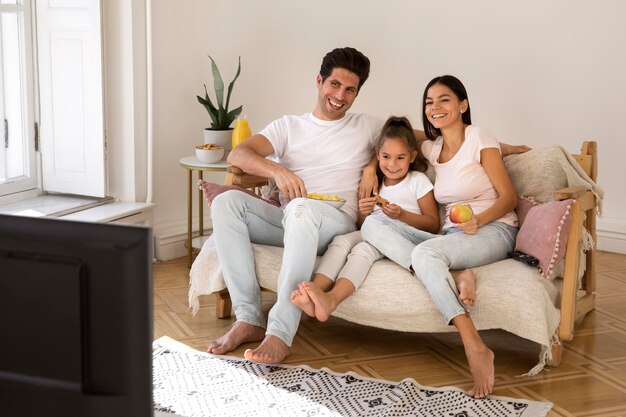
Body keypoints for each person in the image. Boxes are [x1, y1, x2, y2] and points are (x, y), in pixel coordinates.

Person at [207, 47, 384, 364]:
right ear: (319, 81)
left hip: (336, 223)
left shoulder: (367, 126)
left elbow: (416, 142)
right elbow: (239, 155)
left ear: (357, 94)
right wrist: (278, 170)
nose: (340, 96)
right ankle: (248, 318)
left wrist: (372, 165)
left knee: (300, 208)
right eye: (334, 84)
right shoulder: (288, 126)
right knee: (226, 203)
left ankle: (280, 333)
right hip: (290, 221)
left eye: (350, 90)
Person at [361, 75, 519, 399]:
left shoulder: (479, 137)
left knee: (425, 255)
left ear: (463, 105)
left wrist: (479, 219)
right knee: (372, 225)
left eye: (444, 100)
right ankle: (457, 274)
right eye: (429, 102)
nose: (435, 107)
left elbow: (509, 197)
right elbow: (398, 138)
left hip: (494, 228)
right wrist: (368, 168)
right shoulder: (432, 149)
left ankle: (474, 345)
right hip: (451, 237)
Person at [290, 116, 439, 322]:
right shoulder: (374, 185)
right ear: (377, 155)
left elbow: (433, 224)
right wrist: (363, 211)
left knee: (362, 250)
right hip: (372, 233)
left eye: (400, 158)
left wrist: (402, 215)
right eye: (386, 156)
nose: (392, 164)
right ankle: (315, 291)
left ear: (412, 157)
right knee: (341, 241)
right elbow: (363, 226)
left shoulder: (418, 181)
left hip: (400, 239)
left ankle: (332, 299)